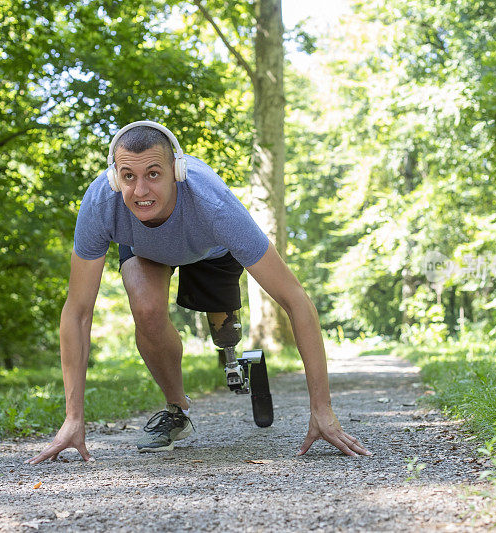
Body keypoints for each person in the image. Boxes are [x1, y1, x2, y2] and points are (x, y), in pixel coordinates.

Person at [26, 121, 370, 464]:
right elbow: (78, 311)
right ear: (115, 176)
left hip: (211, 250)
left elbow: (295, 299)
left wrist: (322, 410)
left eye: (154, 174)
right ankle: (176, 409)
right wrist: (73, 419)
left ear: (176, 171)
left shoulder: (215, 205)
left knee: (224, 336)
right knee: (145, 311)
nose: (141, 190)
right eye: (128, 176)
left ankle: (230, 342)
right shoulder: (102, 203)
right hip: (145, 251)